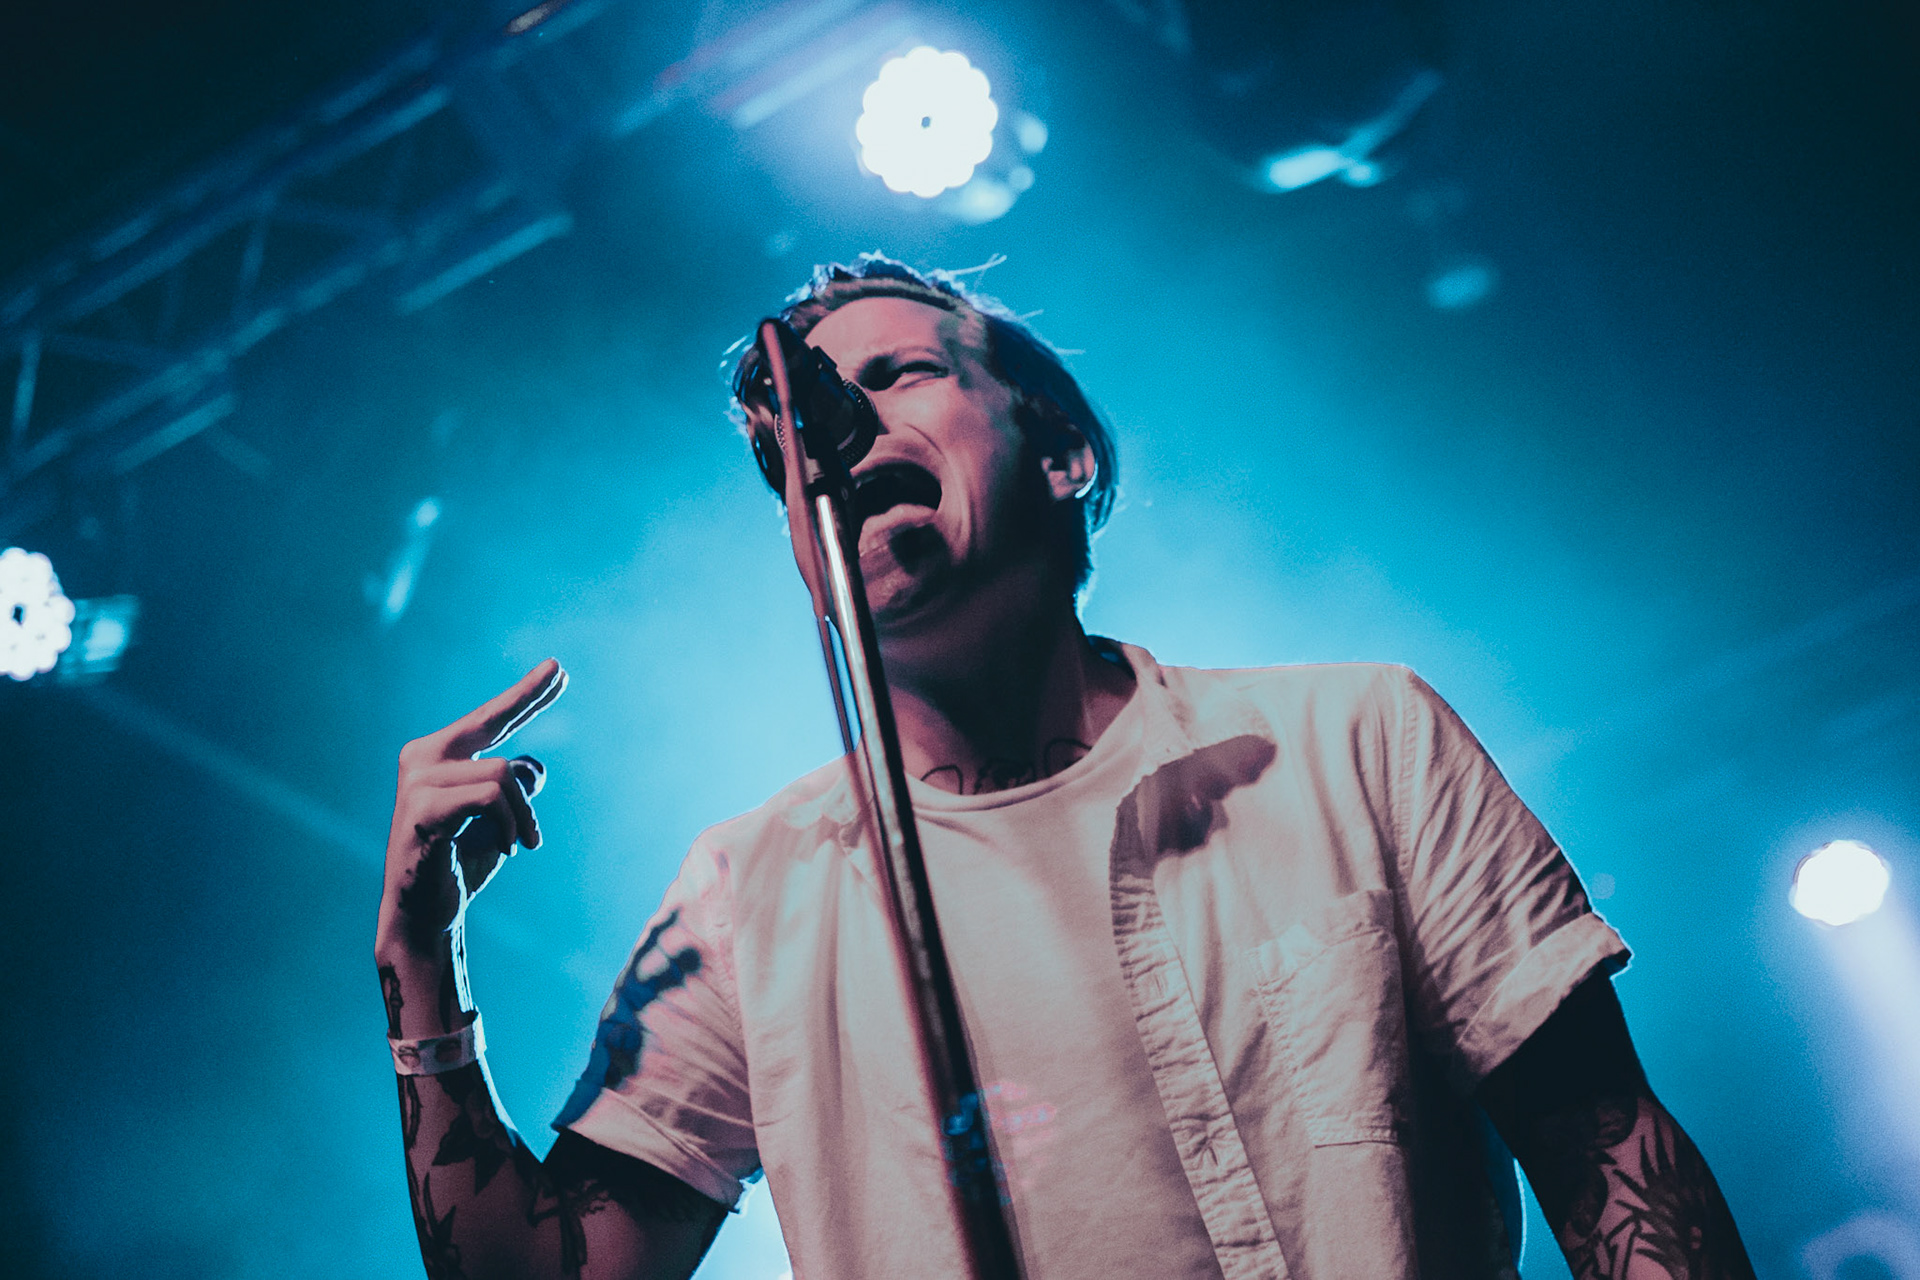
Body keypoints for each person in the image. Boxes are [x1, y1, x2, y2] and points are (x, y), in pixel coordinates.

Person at [374, 256, 1756, 1280]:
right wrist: (420, 966)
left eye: (895, 378)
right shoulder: (750, 893)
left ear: (1060, 452)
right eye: (795, 444)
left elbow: (1608, 1161)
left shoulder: (1357, 741)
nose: (834, 433)